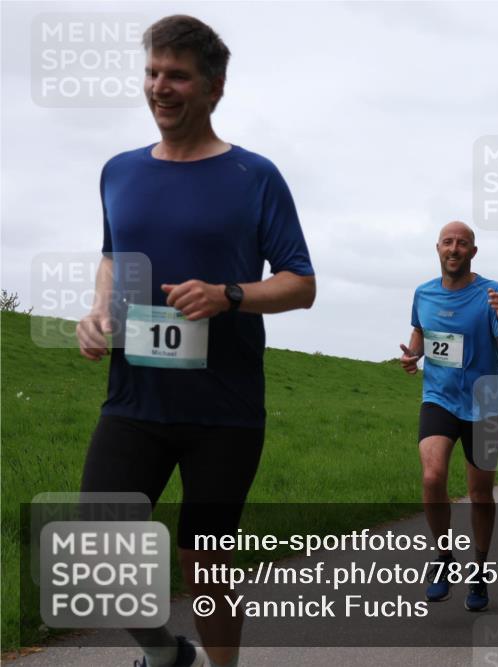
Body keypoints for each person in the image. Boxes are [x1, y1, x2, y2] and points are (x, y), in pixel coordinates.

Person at [74, 15, 316, 667]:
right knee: (98, 543)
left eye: (177, 75)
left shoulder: (254, 175)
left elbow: (301, 283)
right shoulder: (118, 171)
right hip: (135, 400)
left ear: (214, 87)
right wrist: (98, 312)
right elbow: (112, 257)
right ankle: (164, 653)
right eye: (152, 72)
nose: (160, 87)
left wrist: (228, 294)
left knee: (203, 562)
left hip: (224, 410)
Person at [400, 220, 498, 613]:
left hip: (484, 401)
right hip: (439, 398)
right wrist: (413, 355)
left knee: (480, 495)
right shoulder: (423, 293)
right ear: (438, 248)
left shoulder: (492, 295)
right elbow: (421, 332)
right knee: (432, 476)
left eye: (462, 243)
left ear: (473, 251)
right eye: (448, 242)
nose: (454, 248)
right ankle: (443, 557)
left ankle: (480, 571)